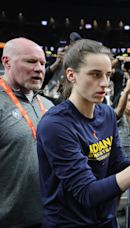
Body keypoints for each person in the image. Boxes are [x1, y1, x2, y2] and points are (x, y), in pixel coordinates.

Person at [36, 39, 130, 227]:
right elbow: (87, 193)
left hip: (107, 220)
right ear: (71, 75)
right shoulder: (55, 125)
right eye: (95, 75)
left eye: (107, 75)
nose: (105, 83)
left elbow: (117, 165)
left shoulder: (106, 113)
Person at [0, 37, 54, 227]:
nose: (39, 68)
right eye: (31, 61)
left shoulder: (48, 105)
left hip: (51, 217)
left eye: (42, 63)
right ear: (6, 62)